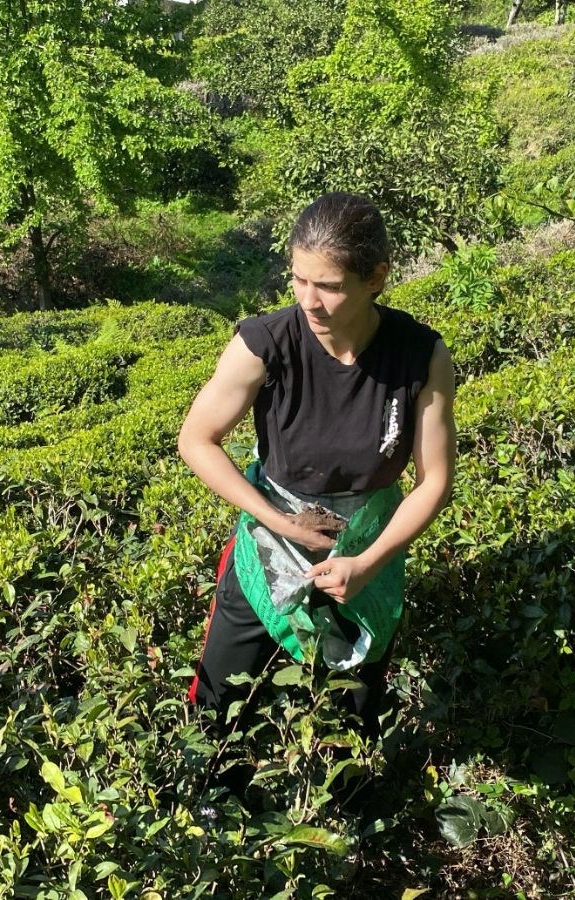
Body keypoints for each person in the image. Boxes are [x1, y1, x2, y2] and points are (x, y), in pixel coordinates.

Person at [177, 192, 456, 739]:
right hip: (269, 544)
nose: (309, 301)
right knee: (223, 699)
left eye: (328, 285)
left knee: (355, 707)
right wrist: (280, 522)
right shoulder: (263, 343)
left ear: (375, 278)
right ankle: (210, 808)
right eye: (298, 280)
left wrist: (369, 562)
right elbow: (198, 440)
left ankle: (345, 814)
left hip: (369, 548)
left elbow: (435, 480)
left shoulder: (419, 355)